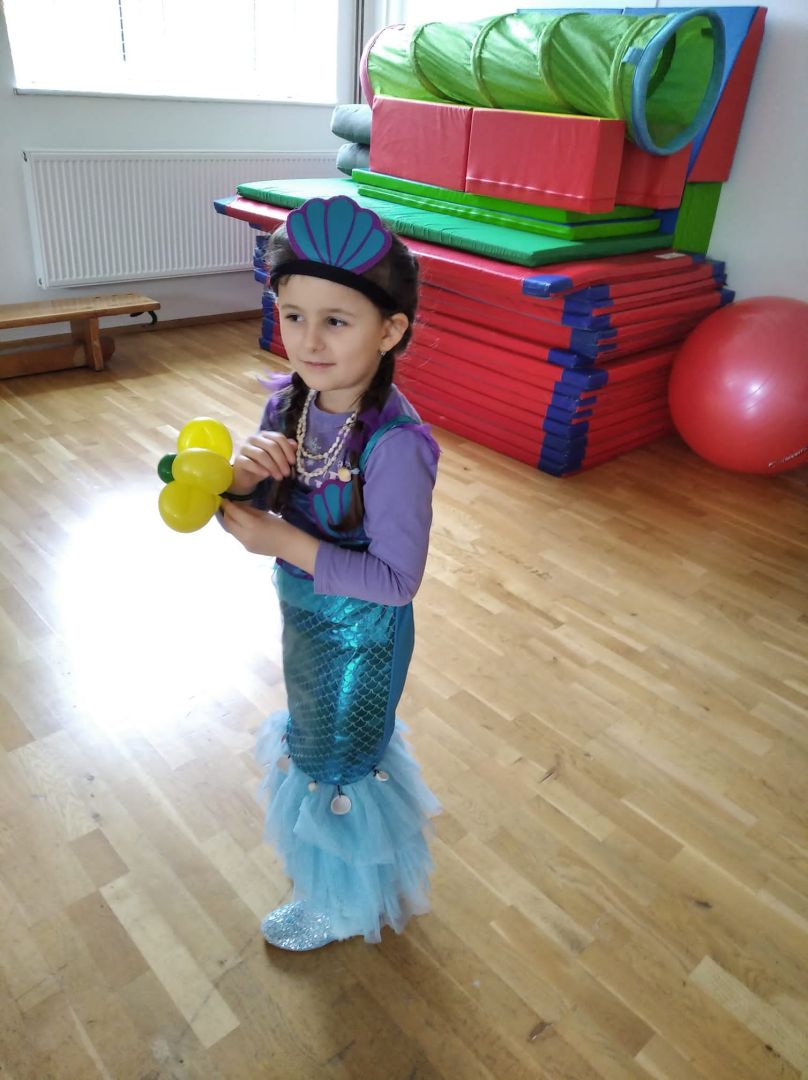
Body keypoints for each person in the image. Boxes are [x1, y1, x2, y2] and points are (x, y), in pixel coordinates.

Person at [219, 195, 441, 951]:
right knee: (316, 741)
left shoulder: (397, 446)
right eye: (292, 315)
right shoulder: (289, 404)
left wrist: (283, 539)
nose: (308, 341)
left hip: (362, 639)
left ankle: (345, 905)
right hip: (306, 622)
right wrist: (242, 480)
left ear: (390, 330)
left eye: (336, 321)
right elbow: (249, 516)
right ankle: (341, 880)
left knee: (339, 760)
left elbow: (397, 583)